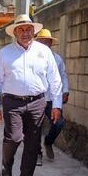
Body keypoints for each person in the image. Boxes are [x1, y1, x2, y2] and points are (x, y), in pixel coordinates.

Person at [0, 14, 62, 176]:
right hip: (12, 102)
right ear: (14, 32)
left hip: (38, 102)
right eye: (20, 29)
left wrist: (57, 105)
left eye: (28, 29)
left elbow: (55, 80)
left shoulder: (43, 52)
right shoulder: (5, 53)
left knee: (32, 144)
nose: (25, 33)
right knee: (13, 137)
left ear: (34, 31)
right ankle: (7, 164)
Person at [35, 28, 69, 162]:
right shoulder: (33, 58)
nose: (45, 44)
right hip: (37, 98)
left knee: (59, 123)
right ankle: (37, 153)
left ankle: (48, 142)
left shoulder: (57, 59)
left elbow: (63, 76)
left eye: (47, 42)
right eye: (42, 42)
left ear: (50, 43)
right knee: (36, 126)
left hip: (53, 99)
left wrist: (65, 90)